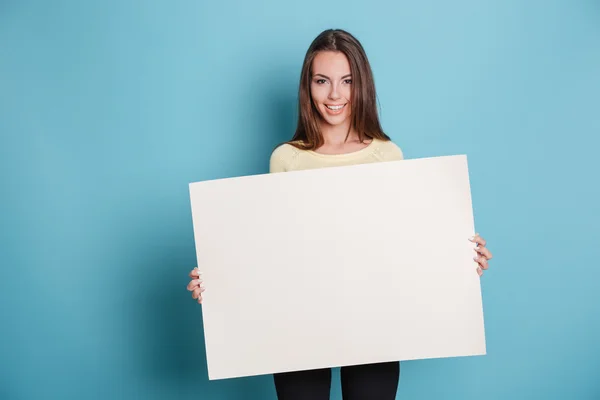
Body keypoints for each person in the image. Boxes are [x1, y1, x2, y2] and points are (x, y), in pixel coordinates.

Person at [186, 28, 494, 400]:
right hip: (298, 324)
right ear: (308, 86)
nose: (335, 95)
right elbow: (272, 251)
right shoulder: (286, 158)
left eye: (347, 81)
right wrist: (221, 283)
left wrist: (456, 257)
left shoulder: (387, 155)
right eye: (322, 81)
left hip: (374, 321)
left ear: (361, 85)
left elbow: (403, 245)